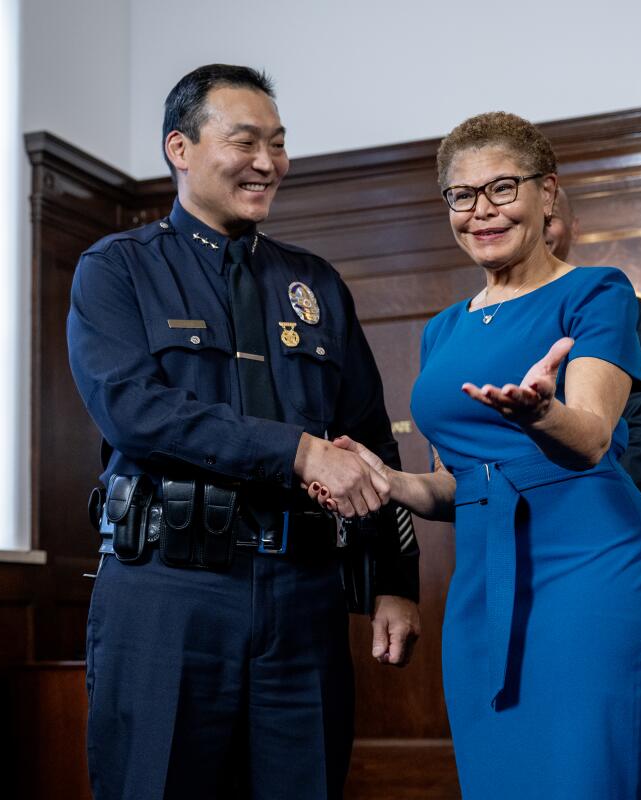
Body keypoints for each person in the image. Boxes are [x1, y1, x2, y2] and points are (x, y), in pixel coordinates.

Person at [66, 64, 420, 800]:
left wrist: (393, 582)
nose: (268, 162)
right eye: (246, 141)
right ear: (181, 148)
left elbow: (368, 443)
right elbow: (135, 410)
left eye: (279, 144)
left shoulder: (314, 284)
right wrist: (294, 450)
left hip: (305, 597)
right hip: (170, 593)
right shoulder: (118, 270)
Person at [313, 112, 641, 798]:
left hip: (590, 563)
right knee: (500, 777)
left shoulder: (597, 291)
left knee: (584, 775)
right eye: (462, 194)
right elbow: (455, 486)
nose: (481, 211)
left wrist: (543, 414)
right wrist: (389, 480)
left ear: (547, 193)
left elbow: (593, 436)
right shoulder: (444, 330)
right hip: (484, 577)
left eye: (503, 188)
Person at [544, 186, 641, 493]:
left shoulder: (628, 309)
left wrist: (602, 504)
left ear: (574, 227)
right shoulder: (479, 317)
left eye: (551, 218)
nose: (539, 229)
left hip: (600, 501)